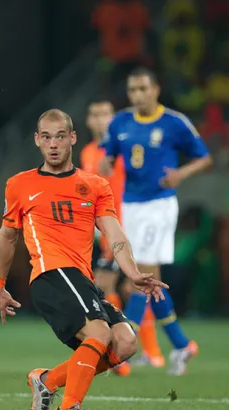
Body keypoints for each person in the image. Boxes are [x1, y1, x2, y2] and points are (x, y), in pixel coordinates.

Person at [0, 109, 168, 410]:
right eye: (46, 137)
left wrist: (134, 272)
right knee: (100, 331)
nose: (53, 144)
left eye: (60, 136)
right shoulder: (19, 184)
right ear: (37, 141)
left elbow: (115, 234)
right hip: (50, 274)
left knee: (125, 343)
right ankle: (70, 405)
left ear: (72, 138)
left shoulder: (96, 185)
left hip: (81, 279)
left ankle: (47, 381)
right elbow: (8, 237)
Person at [99, 67, 212, 375]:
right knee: (150, 278)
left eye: (142, 89)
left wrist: (180, 174)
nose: (137, 95)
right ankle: (181, 345)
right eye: (132, 90)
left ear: (156, 90)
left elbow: (204, 157)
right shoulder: (120, 121)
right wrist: (105, 162)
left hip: (159, 206)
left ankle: (122, 346)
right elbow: (106, 154)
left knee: (140, 275)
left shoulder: (174, 122)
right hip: (130, 207)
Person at [79, 98, 164, 373]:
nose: (101, 118)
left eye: (106, 113)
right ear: (89, 121)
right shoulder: (89, 152)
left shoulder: (124, 147)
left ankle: (137, 353)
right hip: (106, 229)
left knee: (124, 286)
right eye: (95, 113)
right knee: (120, 288)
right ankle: (143, 352)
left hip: (130, 226)